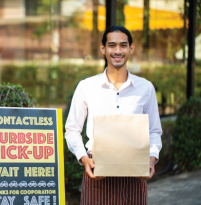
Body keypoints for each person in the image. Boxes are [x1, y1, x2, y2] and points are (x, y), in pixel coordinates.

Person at [65, 26, 162, 205]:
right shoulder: (86, 86)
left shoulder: (145, 88)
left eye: (123, 45)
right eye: (112, 45)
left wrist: (151, 158)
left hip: (135, 173)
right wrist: (84, 159)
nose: (117, 51)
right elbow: (72, 130)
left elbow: (154, 131)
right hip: (97, 170)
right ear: (103, 49)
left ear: (131, 48)